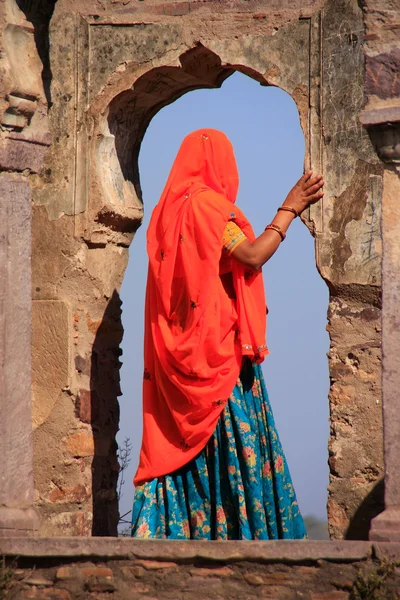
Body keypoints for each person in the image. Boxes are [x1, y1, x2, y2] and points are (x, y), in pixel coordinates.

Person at [131, 128, 324, 540]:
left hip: (178, 357)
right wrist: (289, 210)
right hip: (219, 360)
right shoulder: (207, 209)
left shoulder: (168, 215)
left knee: (181, 447)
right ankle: (244, 539)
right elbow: (252, 256)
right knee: (237, 435)